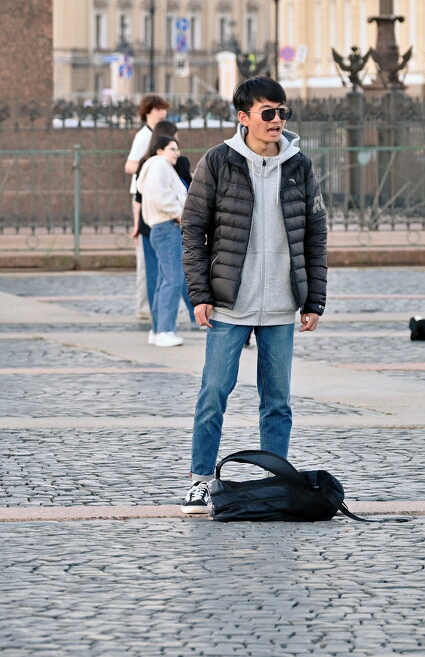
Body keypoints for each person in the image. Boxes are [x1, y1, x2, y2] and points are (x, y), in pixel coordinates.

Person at [178, 76, 327, 515]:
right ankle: (201, 479)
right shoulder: (218, 162)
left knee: (277, 402)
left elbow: (315, 235)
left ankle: (274, 481)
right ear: (243, 118)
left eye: (283, 112)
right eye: (268, 113)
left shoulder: (300, 165)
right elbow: (193, 230)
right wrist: (200, 293)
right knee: (213, 394)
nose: (277, 120)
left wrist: (313, 299)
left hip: (282, 304)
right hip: (230, 303)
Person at [135, 135, 186, 348]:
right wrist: (178, 214)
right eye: (172, 148)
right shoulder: (160, 165)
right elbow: (160, 196)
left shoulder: (154, 166)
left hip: (160, 228)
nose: (177, 153)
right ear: (159, 150)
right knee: (173, 280)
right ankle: (165, 330)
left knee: (164, 281)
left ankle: (157, 330)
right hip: (168, 227)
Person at [125, 95, 170, 321]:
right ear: (147, 112)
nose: (161, 113)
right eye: (156, 109)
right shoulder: (144, 136)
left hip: (156, 198)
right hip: (143, 198)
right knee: (146, 257)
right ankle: (144, 306)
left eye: (163, 109)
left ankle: (153, 304)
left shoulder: (163, 134)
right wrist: (151, 165)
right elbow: (130, 164)